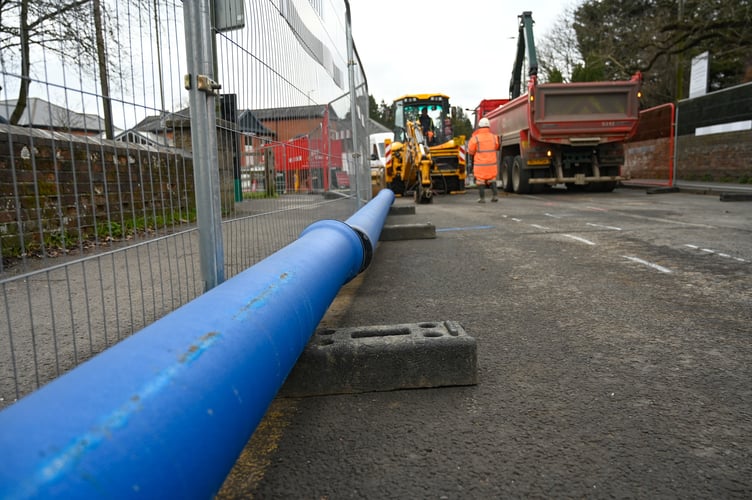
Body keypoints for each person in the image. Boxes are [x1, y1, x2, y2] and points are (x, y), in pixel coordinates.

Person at [467, 117, 500, 202]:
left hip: (480, 165)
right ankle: (495, 196)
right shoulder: (494, 137)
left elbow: (470, 151)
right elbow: (496, 146)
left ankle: (482, 198)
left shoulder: (475, 138)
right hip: (492, 165)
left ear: (479, 126)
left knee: (481, 181)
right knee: (492, 179)